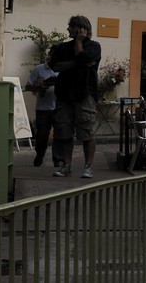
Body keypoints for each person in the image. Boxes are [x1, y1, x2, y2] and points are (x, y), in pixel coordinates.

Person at [50, 15, 102, 177]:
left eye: (71, 26)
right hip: (64, 94)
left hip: (85, 93)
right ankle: (66, 165)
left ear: (81, 29)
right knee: (64, 132)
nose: (67, 29)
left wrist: (79, 43)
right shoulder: (62, 48)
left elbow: (85, 57)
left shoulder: (94, 46)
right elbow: (55, 66)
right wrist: (77, 63)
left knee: (86, 131)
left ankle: (88, 166)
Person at [24, 54, 61, 168]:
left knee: (59, 134)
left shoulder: (63, 69)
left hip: (59, 107)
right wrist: (39, 87)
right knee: (41, 135)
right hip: (43, 108)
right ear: (50, 56)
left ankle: (58, 159)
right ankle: (39, 155)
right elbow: (28, 86)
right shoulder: (39, 69)